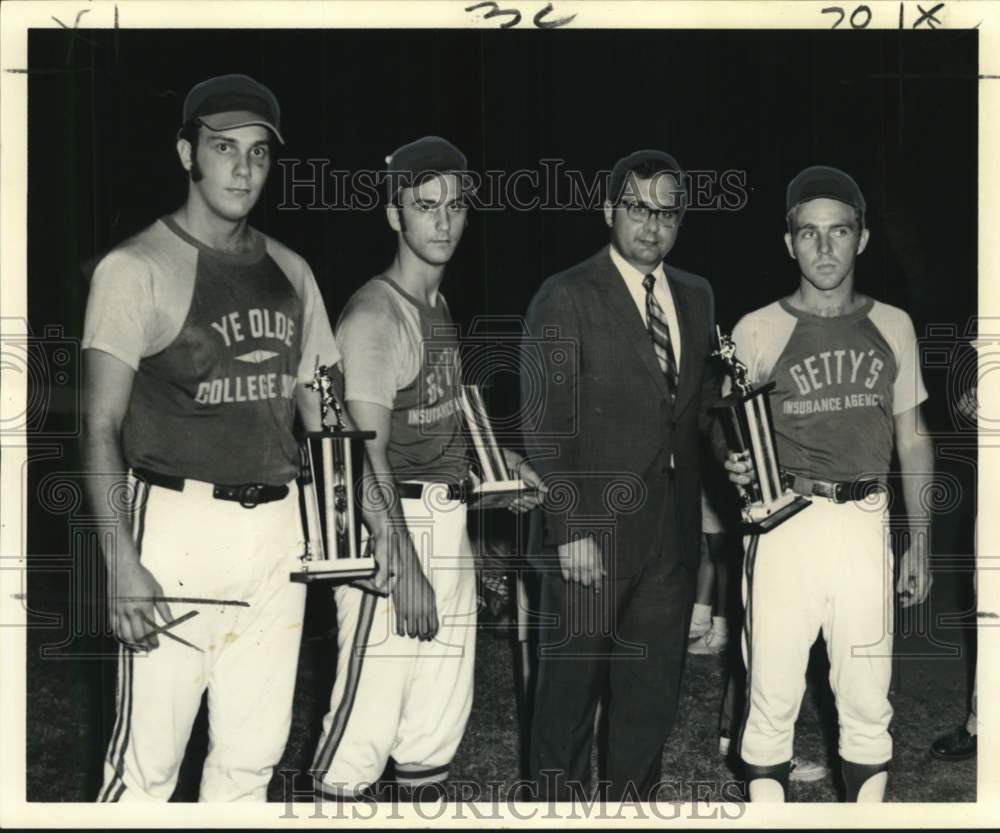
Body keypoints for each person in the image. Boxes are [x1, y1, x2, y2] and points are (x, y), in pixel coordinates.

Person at [82, 74, 394, 802]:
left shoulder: (293, 272)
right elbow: (98, 425)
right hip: (174, 523)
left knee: (250, 761)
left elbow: (330, 418)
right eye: (225, 148)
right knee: (146, 768)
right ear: (187, 151)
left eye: (258, 152)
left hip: (278, 530)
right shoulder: (136, 268)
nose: (244, 167)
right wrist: (119, 563)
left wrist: (376, 527)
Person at [310, 136, 543, 799]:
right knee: (361, 735)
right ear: (395, 215)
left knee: (432, 731)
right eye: (425, 205)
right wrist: (405, 564)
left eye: (455, 205)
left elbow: (437, 430)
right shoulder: (375, 315)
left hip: (443, 523)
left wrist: (503, 468)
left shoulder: (437, 308)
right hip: (390, 535)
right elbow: (362, 451)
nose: (442, 220)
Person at [722, 165, 934, 802]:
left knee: (868, 701)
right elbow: (729, 430)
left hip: (865, 521)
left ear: (861, 239)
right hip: (787, 521)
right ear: (789, 243)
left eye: (837, 232)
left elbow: (914, 437)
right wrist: (734, 465)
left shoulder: (893, 324)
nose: (823, 247)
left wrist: (918, 540)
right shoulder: (755, 329)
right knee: (772, 698)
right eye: (808, 234)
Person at [522, 149, 718, 800]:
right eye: (637, 208)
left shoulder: (696, 294)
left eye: (666, 213)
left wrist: (735, 450)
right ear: (609, 210)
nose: (651, 226)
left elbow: (696, 410)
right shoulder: (566, 294)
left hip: (669, 537)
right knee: (568, 703)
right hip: (592, 535)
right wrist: (570, 525)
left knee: (649, 702)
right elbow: (546, 422)